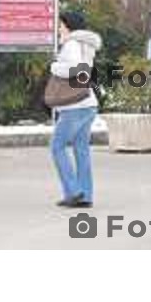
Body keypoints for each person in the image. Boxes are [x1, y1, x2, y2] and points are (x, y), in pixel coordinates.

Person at [49, 11, 102, 208]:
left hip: (75, 105)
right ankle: (85, 195)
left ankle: (73, 192)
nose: (59, 28)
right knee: (81, 149)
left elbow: (77, 69)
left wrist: (55, 67)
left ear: (69, 25)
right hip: (88, 102)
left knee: (57, 146)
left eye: (61, 24)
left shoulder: (71, 44)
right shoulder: (86, 44)